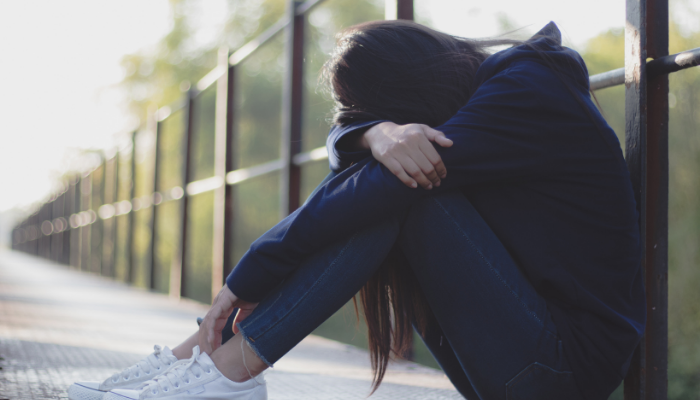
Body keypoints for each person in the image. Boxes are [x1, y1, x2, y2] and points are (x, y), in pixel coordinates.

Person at [67, 20, 645, 400]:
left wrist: (247, 276)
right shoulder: (490, 92)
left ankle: (228, 371)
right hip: (517, 363)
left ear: (412, 94)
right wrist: (372, 135)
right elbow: (345, 145)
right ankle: (203, 359)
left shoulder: (527, 92)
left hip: (561, 373)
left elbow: (371, 188)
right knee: (387, 184)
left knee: (399, 195)